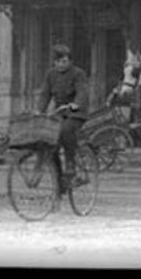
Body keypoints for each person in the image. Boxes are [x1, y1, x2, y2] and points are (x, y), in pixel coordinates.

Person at [34, 44, 91, 191]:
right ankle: (60, 181)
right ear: (54, 62)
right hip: (59, 113)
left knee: (66, 130)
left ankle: (71, 163)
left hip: (76, 113)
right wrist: (39, 110)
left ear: (70, 61)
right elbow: (45, 94)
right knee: (50, 145)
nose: (61, 64)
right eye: (58, 61)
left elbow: (82, 91)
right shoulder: (50, 75)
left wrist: (76, 104)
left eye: (65, 61)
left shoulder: (78, 73)